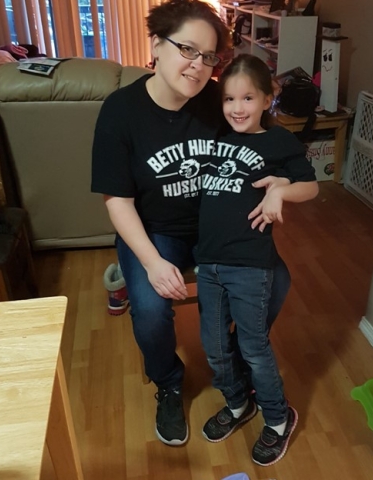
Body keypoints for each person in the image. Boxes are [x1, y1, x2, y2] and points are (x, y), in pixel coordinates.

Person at [91, 0, 292, 447]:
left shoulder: (218, 101)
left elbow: (263, 141)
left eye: (208, 56)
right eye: (187, 49)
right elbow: (117, 201)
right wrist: (151, 263)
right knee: (149, 306)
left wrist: (280, 184)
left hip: (216, 222)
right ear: (157, 45)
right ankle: (168, 381)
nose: (198, 65)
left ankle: (238, 357)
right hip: (154, 230)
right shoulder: (120, 111)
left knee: (276, 280)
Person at [197, 54, 318, 466]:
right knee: (214, 347)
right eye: (229, 99)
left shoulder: (278, 141)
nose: (237, 108)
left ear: (268, 98)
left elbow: (311, 187)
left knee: (252, 348)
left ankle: (279, 418)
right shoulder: (216, 135)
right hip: (209, 263)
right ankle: (237, 405)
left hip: (251, 264)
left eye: (248, 97)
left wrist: (282, 189)